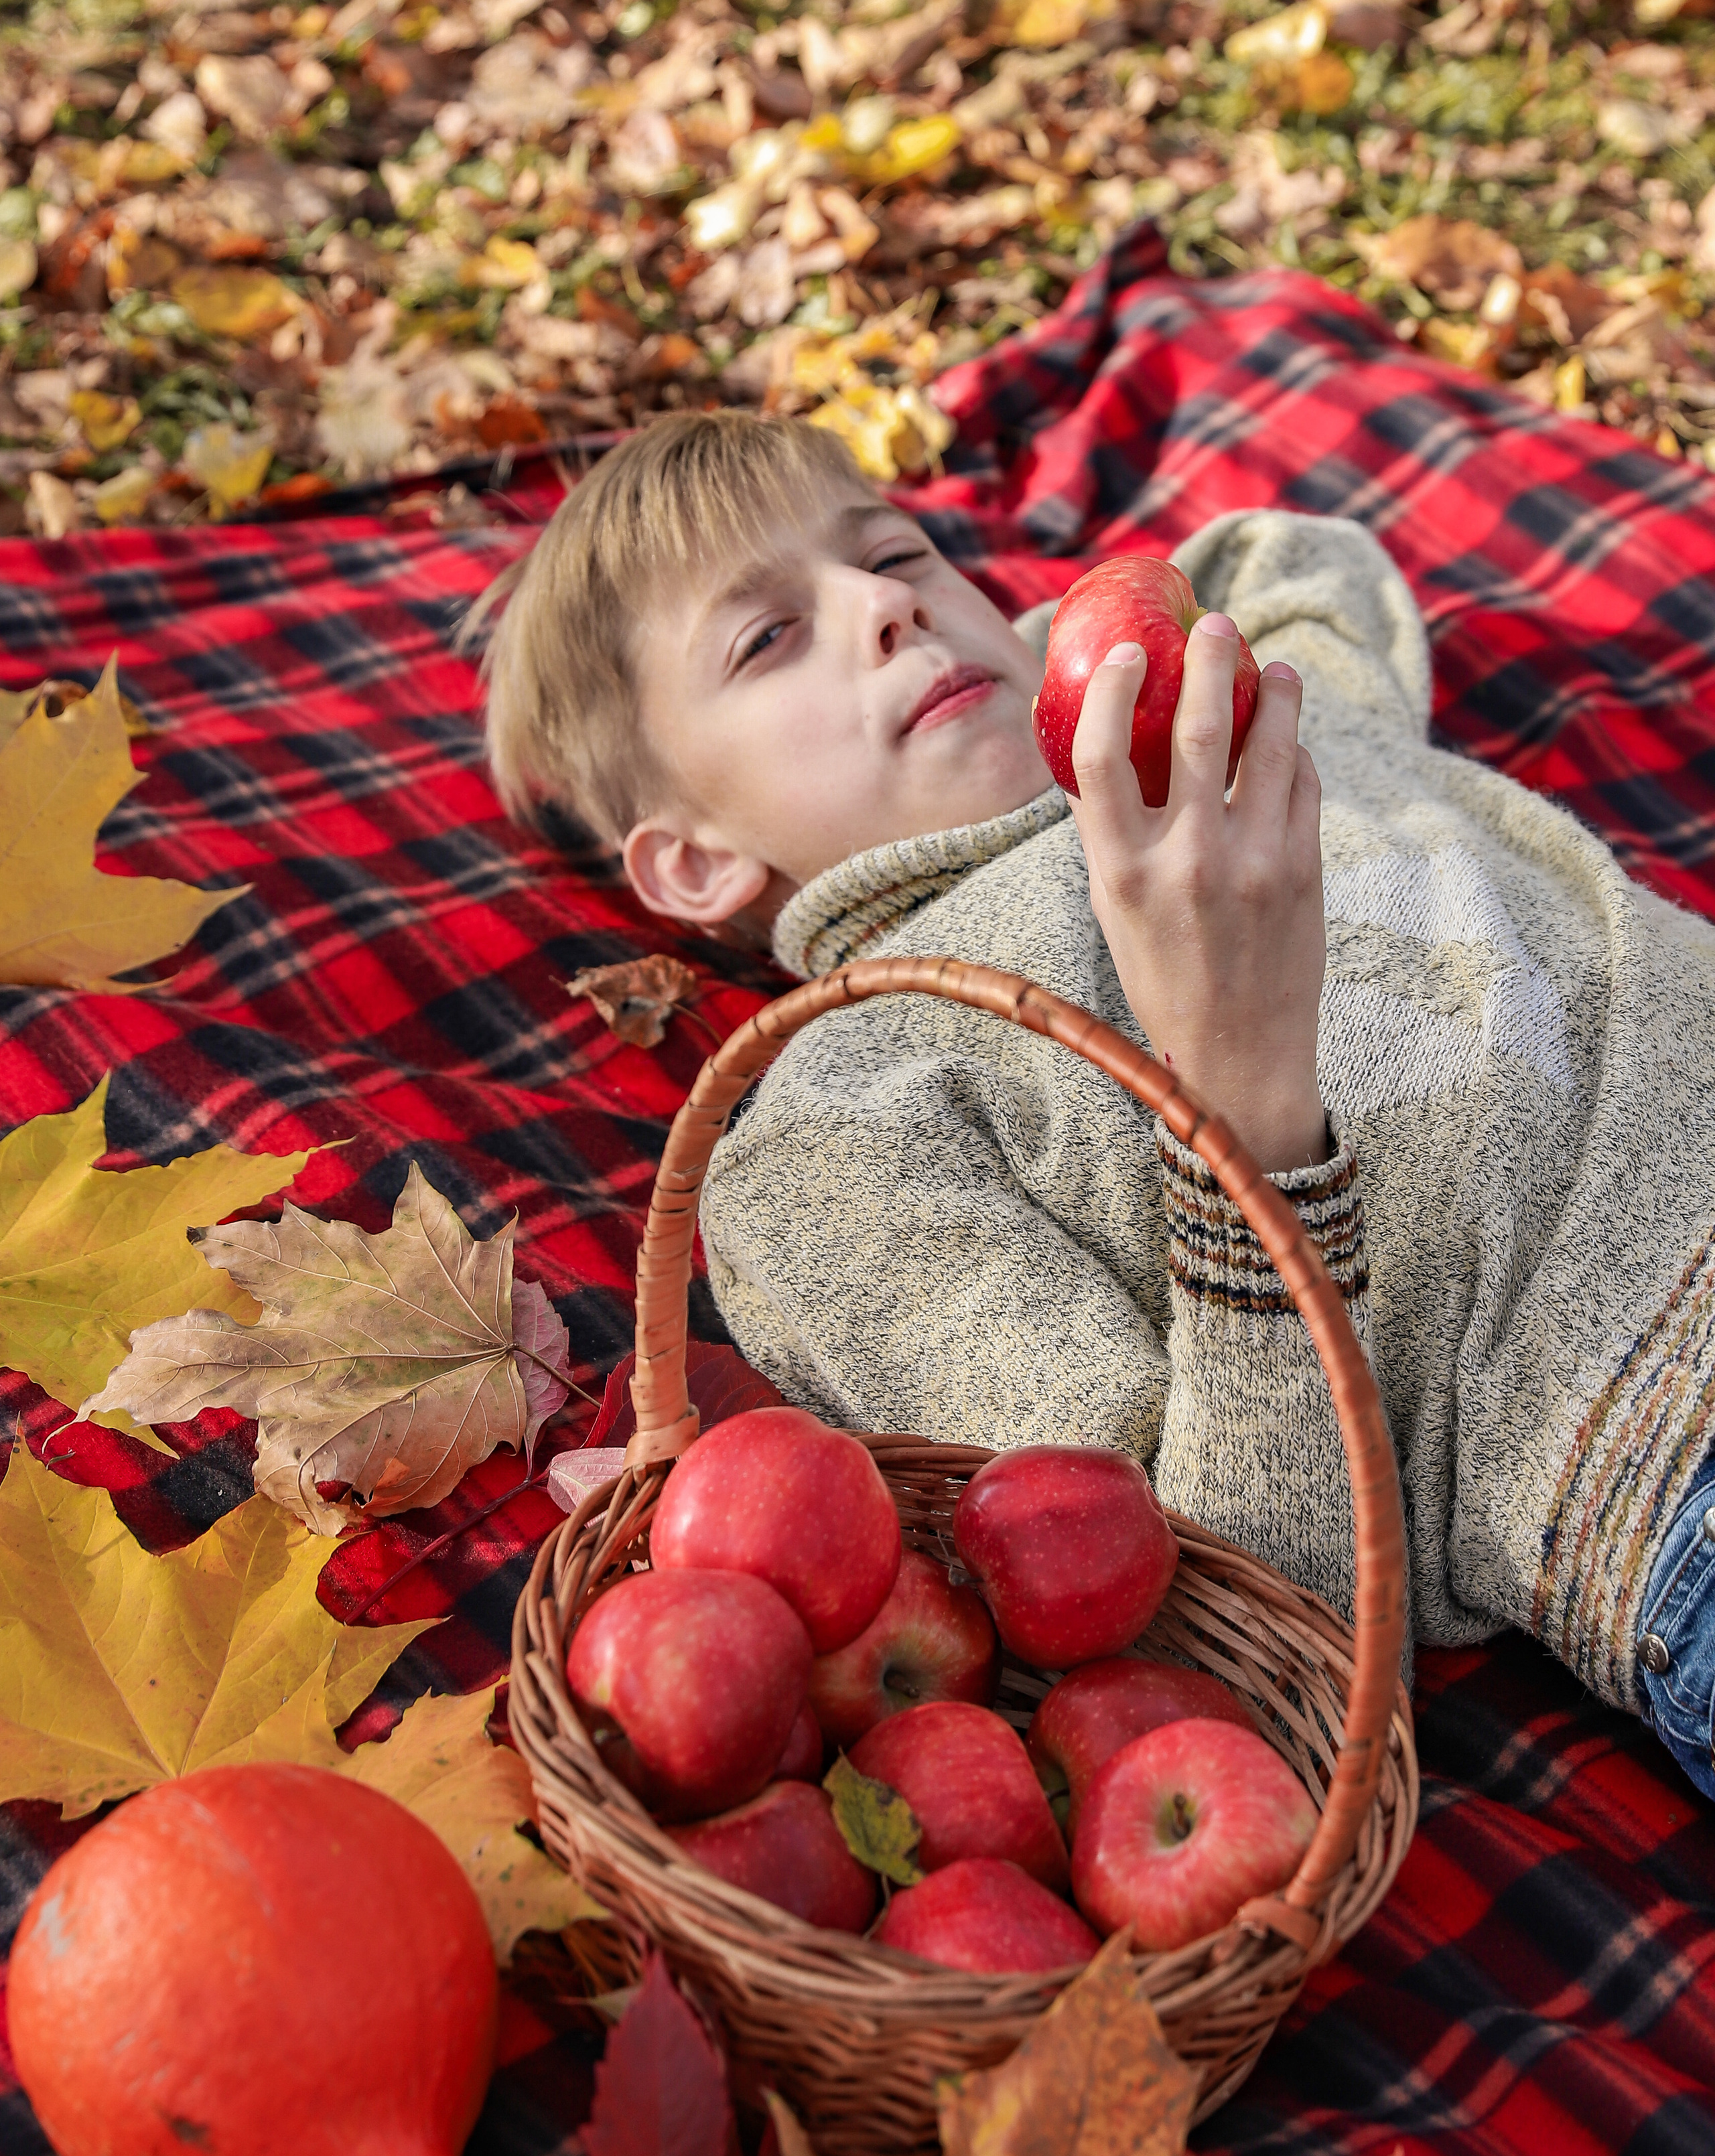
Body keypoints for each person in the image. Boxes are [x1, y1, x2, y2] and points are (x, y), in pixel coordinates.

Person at [478, 408, 1715, 1802]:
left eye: (896, 555)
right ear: (697, 863)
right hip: (1667, 1443)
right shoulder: (839, 1124)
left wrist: (1098, 658)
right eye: (768, 636)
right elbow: (1223, 1601)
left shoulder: (1236, 719)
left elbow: (1302, 556)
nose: (886, 607)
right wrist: (1240, 1095)